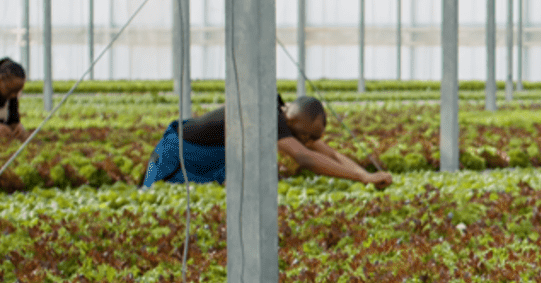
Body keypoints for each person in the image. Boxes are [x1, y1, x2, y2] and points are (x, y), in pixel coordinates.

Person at [141, 94, 393, 188]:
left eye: (311, 138)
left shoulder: (289, 121)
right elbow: (304, 158)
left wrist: (367, 175)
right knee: (150, 197)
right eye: (304, 135)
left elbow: (331, 154)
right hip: (177, 151)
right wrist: (362, 178)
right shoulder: (270, 116)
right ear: (291, 119)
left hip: (211, 162)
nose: (306, 141)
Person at [0, 58, 26, 141]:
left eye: (17, 91)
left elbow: (13, 119)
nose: (14, 95)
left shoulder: (11, 97)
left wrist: (17, 126)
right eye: (9, 90)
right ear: (0, 80)